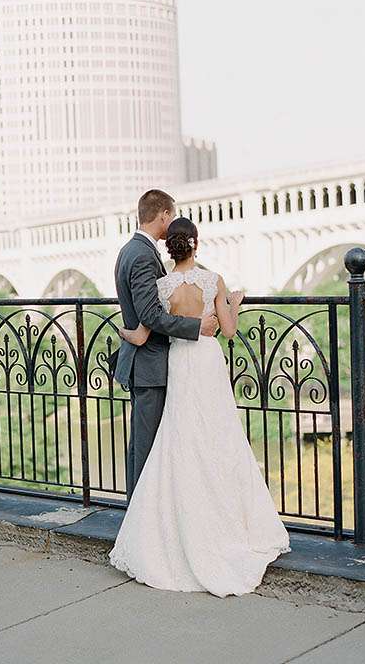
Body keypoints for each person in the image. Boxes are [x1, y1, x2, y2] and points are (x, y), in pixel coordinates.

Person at [108, 215, 291, 597]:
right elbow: (227, 330)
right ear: (196, 243)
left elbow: (143, 332)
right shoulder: (213, 280)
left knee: (181, 440)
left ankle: (174, 528)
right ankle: (230, 527)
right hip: (207, 363)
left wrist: (125, 333)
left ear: (170, 247)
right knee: (220, 439)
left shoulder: (162, 285)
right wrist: (234, 303)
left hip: (179, 363)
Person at [111, 190, 219, 502]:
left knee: (144, 445)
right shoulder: (143, 255)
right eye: (171, 217)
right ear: (164, 216)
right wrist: (197, 327)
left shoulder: (129, 250)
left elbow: (141, 312)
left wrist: (135, 332)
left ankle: (144, 517)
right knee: (148, 448)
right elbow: (149, 313)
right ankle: (142, 522)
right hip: (150, 366)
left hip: (145, 359)